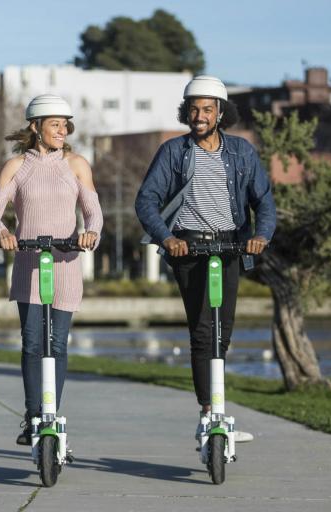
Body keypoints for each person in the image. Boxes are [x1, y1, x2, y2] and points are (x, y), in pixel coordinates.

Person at [134, 75, 275, 442]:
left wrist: (261, 236)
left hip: (230, 247)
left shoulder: (242, 152)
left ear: (220, 113)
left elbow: (264, 200)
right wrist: (168, 238)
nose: (199, 115)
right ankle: (209, 412)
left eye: (207, 109)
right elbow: (146, 200)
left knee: (221, 332)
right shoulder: (173, 152)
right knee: (201, 330)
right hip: (189, 248)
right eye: (193, 109)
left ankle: (219, 406)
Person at [0, 94, 103, 445]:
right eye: (55, 124)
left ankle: (52, 417)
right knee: (33, 343)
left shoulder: (77, 164)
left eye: (65, 125)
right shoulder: (16, 166)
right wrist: (1, 232)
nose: (62, 130)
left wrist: (91, 231)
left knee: (58, 345)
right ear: (36, 127)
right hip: (29, 263)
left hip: (65, 262)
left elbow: (93, 210)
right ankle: (34, 416)